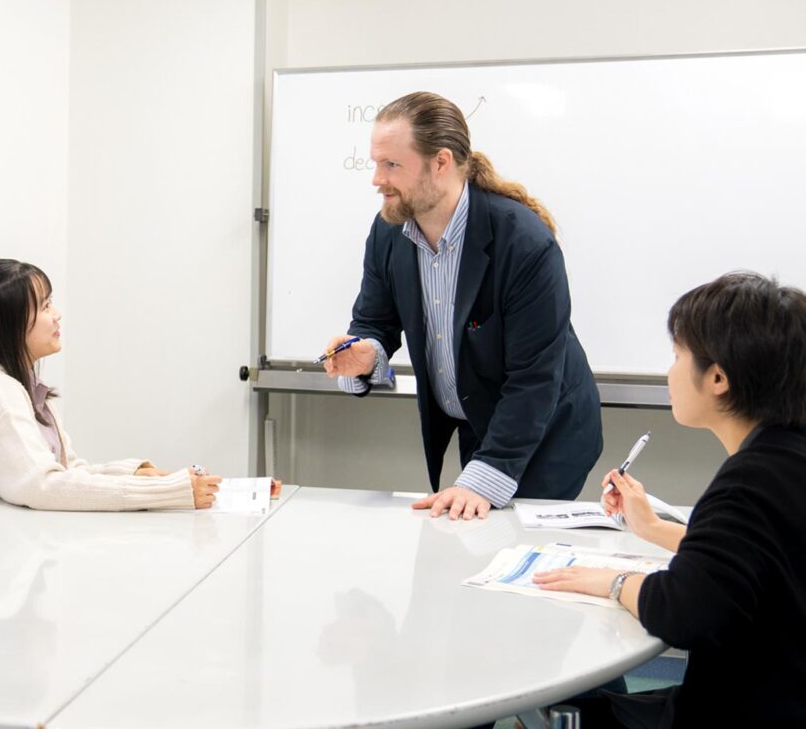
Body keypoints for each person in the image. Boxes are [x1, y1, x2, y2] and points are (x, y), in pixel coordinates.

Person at [534, 272, 806, 727]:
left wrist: (613, 581)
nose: (669, 371)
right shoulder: (787, 456)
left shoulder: (748, 482)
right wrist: (654, 529)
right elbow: (758, 561)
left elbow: (682, 614)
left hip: (742, 709)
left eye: (678, 355)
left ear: (718, 377)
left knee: (570, 709)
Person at [323, 91, 602, 519]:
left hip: (548, 430)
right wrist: (365, 355)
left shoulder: (524, 243)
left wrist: (485, 474)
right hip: (481, 419)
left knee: (508, 556)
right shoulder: (388, 232)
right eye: (375, 163)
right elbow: (373, 322)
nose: (377, 179)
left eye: (392, 165)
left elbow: (535, 378)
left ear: (441, 162)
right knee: (464, 543)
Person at [0, 259, 221, 510]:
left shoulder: (22, 387)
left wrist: (136, 475)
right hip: (3, 553)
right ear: (11, 324)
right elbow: (43, 486)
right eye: (44, 306)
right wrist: (169, 492)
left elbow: (68, 471)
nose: (56, 315)